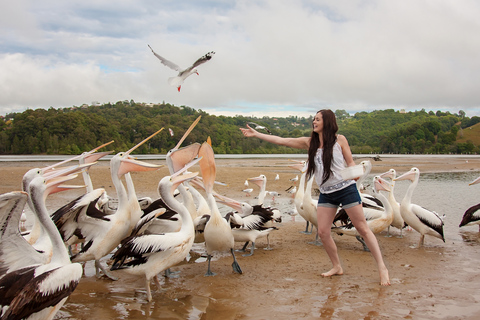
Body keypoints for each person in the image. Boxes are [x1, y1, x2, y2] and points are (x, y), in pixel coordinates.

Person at [240, 109, 390, 286]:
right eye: (314, 119)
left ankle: (382, 268)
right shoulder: (309, 142)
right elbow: (283, 141)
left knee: (363, 229)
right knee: (323, 232)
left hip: (346, 188)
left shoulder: (339, 140)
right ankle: (337, 267)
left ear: (327, 122)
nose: (314, 121)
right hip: (327, 193)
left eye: (318, 119)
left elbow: (350, 162)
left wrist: (356, 173)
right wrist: (257, 134)